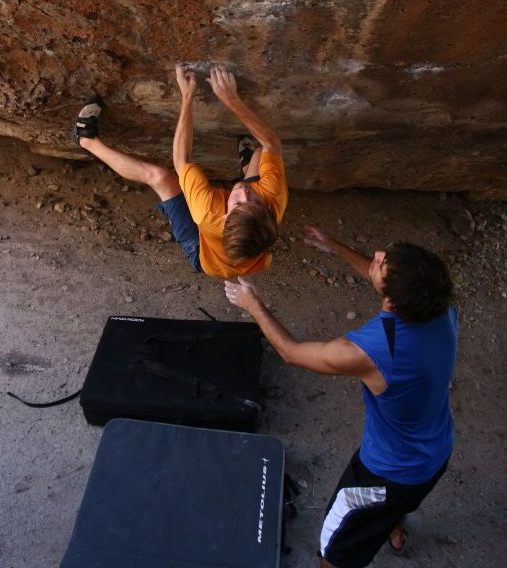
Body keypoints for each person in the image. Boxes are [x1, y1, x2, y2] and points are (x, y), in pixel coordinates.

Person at [224, 227, 458, 567]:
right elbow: (391, 282)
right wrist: (334, 246)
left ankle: (376, 529)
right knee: (403, 501)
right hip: (437, 449)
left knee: (332, 554)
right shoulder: (439, 307)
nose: (376, 255)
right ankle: (394, 527)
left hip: (385, 474)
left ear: (391, 300)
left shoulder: (374, 351)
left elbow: (291, 352)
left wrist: (253, 304)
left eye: (380, 263)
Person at [72, 63, 288, 279]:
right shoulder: (273, 197)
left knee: (160, 177)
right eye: (255, 201)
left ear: (224, 219)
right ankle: (248, 163)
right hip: (252, 258)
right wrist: (232, 100)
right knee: (261, 152)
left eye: (238, 203)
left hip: (204, 256)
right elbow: (272, 144)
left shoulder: (207, 212)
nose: (242, 190)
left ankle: (86, 140)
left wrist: (187, 96)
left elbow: (181, 159)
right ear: (267, 209)